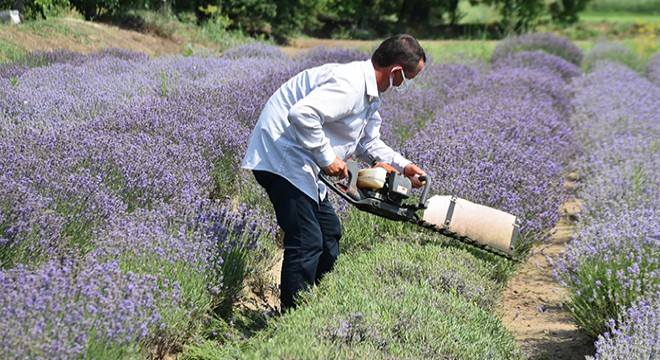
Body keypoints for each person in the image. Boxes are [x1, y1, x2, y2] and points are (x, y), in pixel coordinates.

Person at [242, 34, 427, 311]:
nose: (404, 85)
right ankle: (293, 319)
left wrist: (403, 166)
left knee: (329, 235)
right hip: (282, 156)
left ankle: (314, 307)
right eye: (407, 79)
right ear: (396, 71)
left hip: (303, 162)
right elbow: (302, 114)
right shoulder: (349, 85)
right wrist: (327, 157)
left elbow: (368, 142)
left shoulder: (369, 95)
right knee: (306, 240)